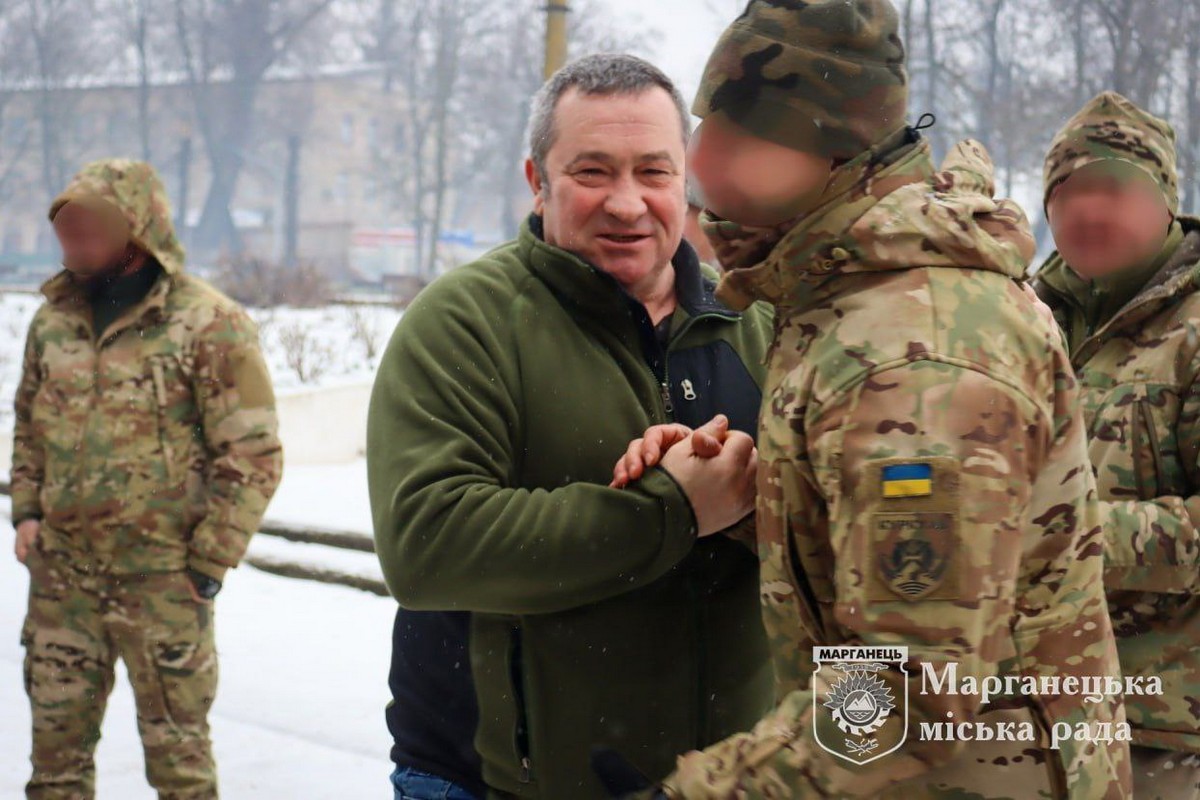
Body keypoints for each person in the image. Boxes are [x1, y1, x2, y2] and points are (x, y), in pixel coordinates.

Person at [596, 2, 1130, 797]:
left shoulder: (916, 352)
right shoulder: (845, 297)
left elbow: (912, 692)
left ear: (822, 145)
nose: (699, 158)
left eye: (733, 131)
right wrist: (752, 498)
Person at [366, 54, 776, 800]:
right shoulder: (467, 322)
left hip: (734, 779)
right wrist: (671, 510)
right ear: (537, 180)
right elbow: (425, 544)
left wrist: (752, 493)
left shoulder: (759, 324)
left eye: (653, 172)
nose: (627, 203)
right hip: (491, 778)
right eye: (592, 171)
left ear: (684, 176)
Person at [11, 158, 283, 799]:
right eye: (65, 229)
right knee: (54, 773)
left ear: (137, 232)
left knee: (180, 772)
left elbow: (253, 454)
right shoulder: (53, 322)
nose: (71, 243)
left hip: (163, 586)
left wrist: (207, 563)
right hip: (62, 585)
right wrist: (26, 512)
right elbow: (27, 426)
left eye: (88, 229)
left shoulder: (207, 324)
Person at [1032, 91, 1200, 800]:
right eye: (1066, 194)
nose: (1087, 211)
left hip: (1161, 729)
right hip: (1020, 720)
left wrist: (1075, 536)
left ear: (1164, 198)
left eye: (1112, 188)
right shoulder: (1020, 321)